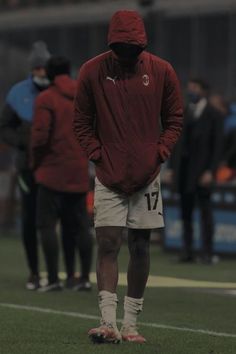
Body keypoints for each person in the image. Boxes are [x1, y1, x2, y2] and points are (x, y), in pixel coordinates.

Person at [74, 10, 183, 344]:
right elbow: (81, 122)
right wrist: (97, 154)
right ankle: (108, 322)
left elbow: (175, 118)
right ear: (112, 44)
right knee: (108, 243)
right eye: (121, 48)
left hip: (147, 175)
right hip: (108, 175)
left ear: (142, 44)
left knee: (140, 245)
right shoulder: (91, 71)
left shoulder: (162, 71)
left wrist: (160, 152)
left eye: (133, 49)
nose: (127, 54)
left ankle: (132, 324)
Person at [30, 56, 93, 292]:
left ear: (49, 73)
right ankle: (84, 278)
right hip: (78, 170)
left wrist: (35, 164)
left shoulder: (46, 98)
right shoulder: (84, 96)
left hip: (51, 171)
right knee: (80, 226)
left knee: (47, 225)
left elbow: (39, 137)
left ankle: (54, 279)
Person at [0, 41, 51, 290]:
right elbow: (3, 127)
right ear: (32, 69)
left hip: (56, 167)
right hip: (27, 166)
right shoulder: (17, 92)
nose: (42, 72)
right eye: (38, 68)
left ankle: (64, 274)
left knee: (56, 219)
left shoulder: (60, 91)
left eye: (45, 68)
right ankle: (34, 271)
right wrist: (22, 142)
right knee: (30, 218)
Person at [168, 79, 223, 264]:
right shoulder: (184, 112)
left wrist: (211, 171)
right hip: (185, 172)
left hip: (203, 172)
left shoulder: (214, 115)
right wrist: (171, 168)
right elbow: (175, 143)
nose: (190, 91)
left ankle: (207, 252)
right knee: (186, 214)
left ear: (204, 91)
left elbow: (217, 148)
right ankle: (187, 251)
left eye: (194, 88)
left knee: (205, 214)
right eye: (189, 88)